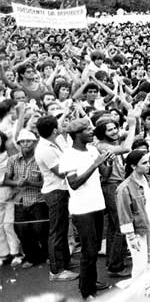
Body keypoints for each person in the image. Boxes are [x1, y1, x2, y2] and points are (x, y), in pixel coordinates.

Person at [58, 118, 111, 300]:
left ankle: (89, 281)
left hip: (97, 205)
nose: (91, 132)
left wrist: (107, 162)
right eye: (87, 130)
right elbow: (73, 183)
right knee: (88, 251)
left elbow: (105, 174)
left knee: (94, 249)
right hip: (82, 210)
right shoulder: (68, 155)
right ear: (77, 134)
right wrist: (95, 164)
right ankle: (86, 291)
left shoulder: (92, 149)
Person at [116, 149, 150, 300]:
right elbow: (124, 215)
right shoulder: (124, 188)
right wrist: (131, 237)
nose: (149, 165)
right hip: (138, 230)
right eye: (144, 163)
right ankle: (138, 295)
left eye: (148, 161)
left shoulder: (149, 179)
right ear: (133, 166)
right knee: (140, 264)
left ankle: (149, 288)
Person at [35, 115, 78, 281]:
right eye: (57, 126)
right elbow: (60, 172)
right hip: (55, 192)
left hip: (59, 190)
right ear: (53, 130)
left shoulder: (51, 142)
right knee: (57, 232)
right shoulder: (45, 149)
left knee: (61, 229)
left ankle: (64, 262)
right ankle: (56, 271)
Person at [94, 113, 137, 278]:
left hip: (116, 185)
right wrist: (131, 126)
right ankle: (115, 266)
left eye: (114, 128)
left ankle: (113, 261)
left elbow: (131, 137)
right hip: (111, 186)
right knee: (121, 226)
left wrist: (134, 120)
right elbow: (126, 148)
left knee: (114, 227)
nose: (113, 132)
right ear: (102, 132)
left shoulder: (111, 141)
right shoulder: (102, 146)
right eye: (109, 130)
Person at [2, 129, 48, 268]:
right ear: (19, 144)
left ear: (35, 143)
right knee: (21, 230)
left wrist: (30, 183)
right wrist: (17, 183)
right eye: (23, 141)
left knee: (40, 229)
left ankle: (46, 255)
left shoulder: (40, 159)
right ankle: (31, 257)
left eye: (29, 141)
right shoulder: (13, 160)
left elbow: (45, 182)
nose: (26, 144)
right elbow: (6, 180)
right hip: (20, 199)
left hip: (38, 199)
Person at [0, 130, 22, 266]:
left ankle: (16, 252)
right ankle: (4, 253)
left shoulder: (8, 153)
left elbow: (17, 172)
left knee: (9, 224)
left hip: (9, 192)